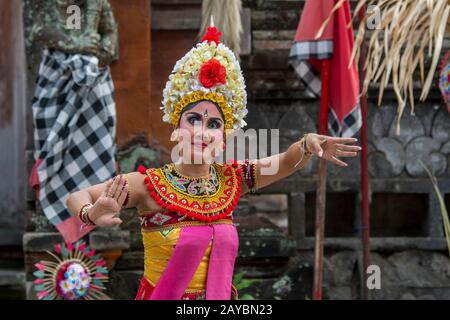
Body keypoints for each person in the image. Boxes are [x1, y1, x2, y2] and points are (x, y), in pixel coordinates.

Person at [66, 24, 361, 300]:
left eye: (214, 125)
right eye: (193, 120)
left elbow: (284, 162)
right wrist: (91, 214)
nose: (202, 132)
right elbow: (75, 196)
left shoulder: (232, 180)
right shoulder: (148, 185)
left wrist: (306, 145)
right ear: (176, 129)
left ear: (224, 137)